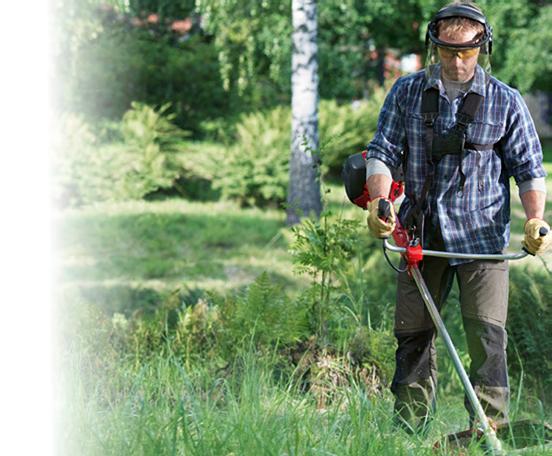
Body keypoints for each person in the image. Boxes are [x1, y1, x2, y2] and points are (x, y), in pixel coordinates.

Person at [364, 1, 551, 433]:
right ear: (435, 48)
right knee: (412, 338)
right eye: (448, 51)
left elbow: (529, 168)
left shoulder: (506, 101)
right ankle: (408, 430)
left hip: (482, 240)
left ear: (482, 48)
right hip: (418, 235)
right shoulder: (406, 92)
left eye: (466, 51)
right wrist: (379, 202)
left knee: (488, 339)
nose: (457, 60)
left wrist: (535, 220)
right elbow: (381, 153)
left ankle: (489, 430)